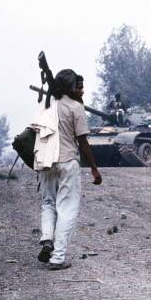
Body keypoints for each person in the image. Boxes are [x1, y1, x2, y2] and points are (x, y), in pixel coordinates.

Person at [34, 69, 102, 270]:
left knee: (48, 203)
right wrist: (94, 169)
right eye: (77, 86)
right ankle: (58, 257)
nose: (80, 90)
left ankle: (47, 239)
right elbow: (83, 141)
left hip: (46, 163)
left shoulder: (48, 105)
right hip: (67, 162)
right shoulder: (75, 107)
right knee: (67, 209)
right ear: (71, 87)